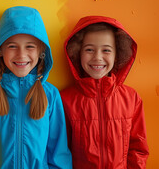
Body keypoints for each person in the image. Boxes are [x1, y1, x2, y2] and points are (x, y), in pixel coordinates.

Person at [0, 6, 72, 168]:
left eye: (30, 46)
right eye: (12, 46)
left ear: (41, 51)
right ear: (0, 50)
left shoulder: (50, 94)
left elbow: (59, 152)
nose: (21, 55)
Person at [60, 16, 149, 168]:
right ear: (77, 52)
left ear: (118, 54)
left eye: (106, 50)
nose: (97, 57)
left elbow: (138, 149)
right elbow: (61, 152)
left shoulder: (131, 98)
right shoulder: (64, 99)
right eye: (89, 49)